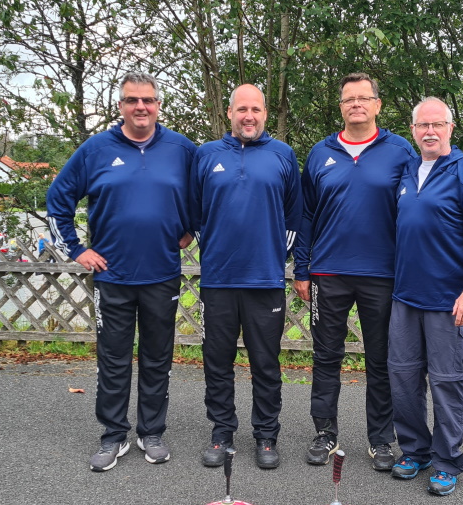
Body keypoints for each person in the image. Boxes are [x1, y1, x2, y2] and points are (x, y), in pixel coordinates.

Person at [46, 72, 196, 472]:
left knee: (156, 357)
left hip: (162, 274)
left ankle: (152, 432)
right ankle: (114, 435)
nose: (141, 107)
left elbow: (204, 197)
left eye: (148, 100)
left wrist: (191, 228)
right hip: (112, 277)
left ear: (158, 104)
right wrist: (77, 249)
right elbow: (57, 199)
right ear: (120, 106)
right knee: (113, 359)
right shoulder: (96, 149)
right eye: (132, 100)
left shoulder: (181, 149)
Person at [293, 72, 417, 470]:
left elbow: (416, 211)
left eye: (365, 98)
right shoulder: (320, 153)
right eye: (350, 99)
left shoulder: (400, 152)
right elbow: (305, 215)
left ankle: (381, 439)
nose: (357, 104)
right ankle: (325, 432)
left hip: (383, 274)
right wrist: (302, 268)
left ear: (378, 104)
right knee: (326, 356)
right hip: (328, 272)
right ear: (341, 106)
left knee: (381, 359)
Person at [388, 96, 463, 495]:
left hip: (449, 300)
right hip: (405, 299)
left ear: (451, 128)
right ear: (413, 130)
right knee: (403, 379)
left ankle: (447, 460)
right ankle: (415, 450)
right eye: (422, 125)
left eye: (438, 124)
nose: (430, 131)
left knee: (447, 382)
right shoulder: (406, 169)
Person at [190, 84, 302, 469]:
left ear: (265, 113)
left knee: (265, 364)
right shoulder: (206, 155)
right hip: (218, 281)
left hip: (265, 281)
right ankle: (222, 433)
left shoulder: (283, 155)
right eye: (242, 109)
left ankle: (266, 436)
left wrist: (274, 253)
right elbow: (195, 214)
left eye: (256, 109)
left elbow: (294, 217)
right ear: (230, 113)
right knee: (216, 361)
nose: (248, 116)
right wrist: (216, 247)